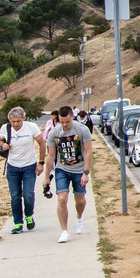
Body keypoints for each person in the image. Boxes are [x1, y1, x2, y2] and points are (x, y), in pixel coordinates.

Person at [43, 105, 93, 244]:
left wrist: (86, 172)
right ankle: (64, 231)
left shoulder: (82, 130)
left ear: (73, 117)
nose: (65, 125)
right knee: (62, 199)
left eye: (67, 122)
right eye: (62, 122)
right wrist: (46, 177)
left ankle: (79, 217)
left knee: (80, 201)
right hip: (62, 169)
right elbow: (51, 156)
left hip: (79, 169)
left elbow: (89, 151)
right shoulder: (54, 133)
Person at [0, 107, 45, 234]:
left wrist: (41, 162)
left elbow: (42, 143)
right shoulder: (5, 128)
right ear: (9, 120)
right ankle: (18, 223)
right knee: (15, 196)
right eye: (13, 121)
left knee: (28, 194)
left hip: (29, 165)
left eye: (18, 121)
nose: (16, 124)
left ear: (24, 118)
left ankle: (29, 215)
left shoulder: (31, 127)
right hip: (12, 166)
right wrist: (3, 145)